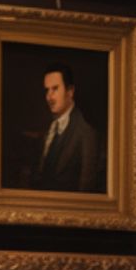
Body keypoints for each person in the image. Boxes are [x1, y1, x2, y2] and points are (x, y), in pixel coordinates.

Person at [35, 63, 101, 192]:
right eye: (47, 90)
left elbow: (86, 189)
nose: (49, 97)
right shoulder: (51, 127)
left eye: (55, 89)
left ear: (70, 91)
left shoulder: (86, 132)